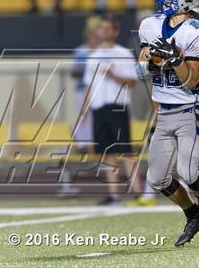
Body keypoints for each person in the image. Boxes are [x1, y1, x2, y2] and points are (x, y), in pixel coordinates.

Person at [136, 0, 199, 246]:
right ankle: (191, 213)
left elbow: (191, 82)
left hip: (190, 111)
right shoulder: (151, 24)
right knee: (157, 179)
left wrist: (175, 59)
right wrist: (156, 63)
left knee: (189, 173)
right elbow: (140, 70)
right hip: (165, 112)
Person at [83, 14, 140, 205]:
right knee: (107, 153)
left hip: (117, 107)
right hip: (99, 107)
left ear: (115, 32)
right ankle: (114, 195)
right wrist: (85, 110)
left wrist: (113, 75)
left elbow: (132, 81)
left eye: (108, 28)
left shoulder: (123, 54)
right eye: (102, 28)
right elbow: (88, 85)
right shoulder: (93, 56)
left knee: (126, 151)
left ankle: (138, 192)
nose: (104, 31)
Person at [58, 16, 100, 196]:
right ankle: (86, 152)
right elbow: (75, 71)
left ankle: (94, 154)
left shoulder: (104, 51)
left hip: (100, 92)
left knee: (97, 125)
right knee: (84, 125)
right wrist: (87, 67)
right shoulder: (81, 50)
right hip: (83, 91)